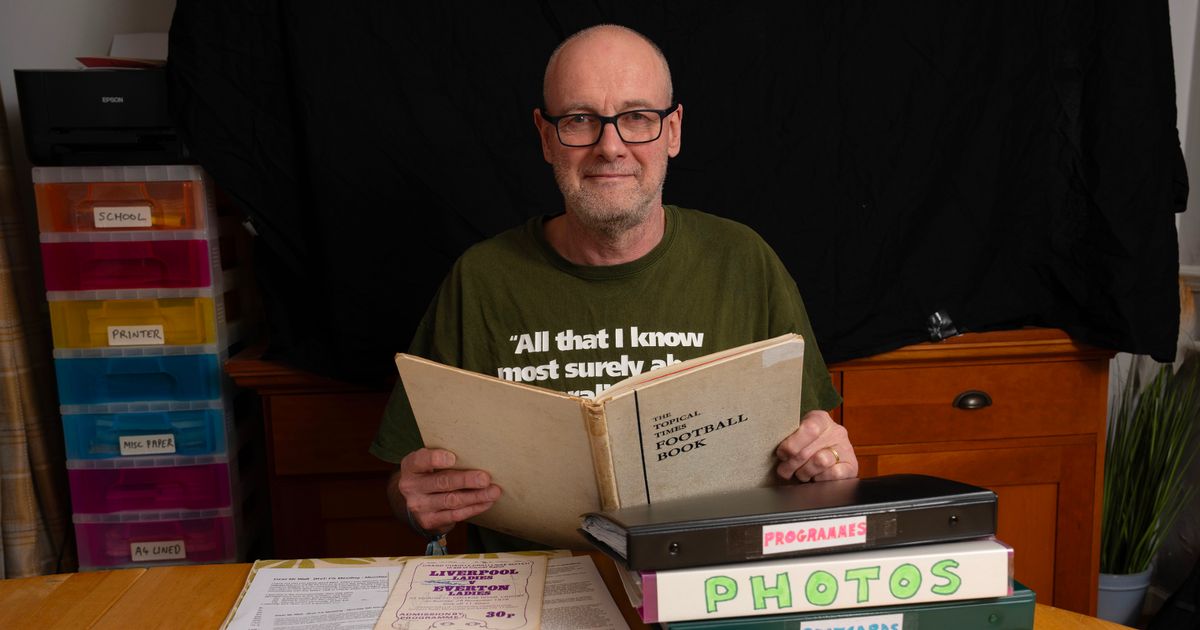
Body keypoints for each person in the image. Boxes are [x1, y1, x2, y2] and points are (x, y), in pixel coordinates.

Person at [370, 24, 858, 551]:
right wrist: (416, 504)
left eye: (637, 118)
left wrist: (829, 467)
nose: (610, 147)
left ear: (673, 131)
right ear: (545, 136)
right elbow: (405, 488)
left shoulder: (744, 262)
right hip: (535, 583)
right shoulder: (481, 278)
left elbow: (815, 459)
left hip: (703, 576)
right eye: (580, 119)